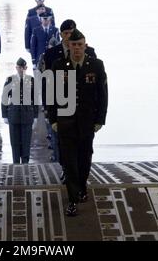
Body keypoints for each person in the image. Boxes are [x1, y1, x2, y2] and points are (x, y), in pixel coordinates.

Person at [48, 29, 108, 217]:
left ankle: (82, 187)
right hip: (66, 123)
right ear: (69, 46)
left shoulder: (96, 66)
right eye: (73, 45)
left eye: (79, 45)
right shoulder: (59, 66)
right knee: (69, 163)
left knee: (84, 160)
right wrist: (53, 120)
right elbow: (52, 95)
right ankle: (72, 199)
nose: (76, 48)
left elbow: (103, 95)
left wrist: (100, 120)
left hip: (87, 123)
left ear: (85, 45)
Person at [2, 58, 38, 164]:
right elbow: (4, 97)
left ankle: (25, 163)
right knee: (15, 142)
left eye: (23, 67)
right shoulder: (10, 80)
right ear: (16, 68)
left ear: (26, 68)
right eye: (19, 67)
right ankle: (16, 163)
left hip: (27, 115)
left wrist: (35, 115)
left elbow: (35, 98)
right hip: (14, 115)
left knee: (26, 142)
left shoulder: (31, 80)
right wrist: (4, 114)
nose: (21, 69)